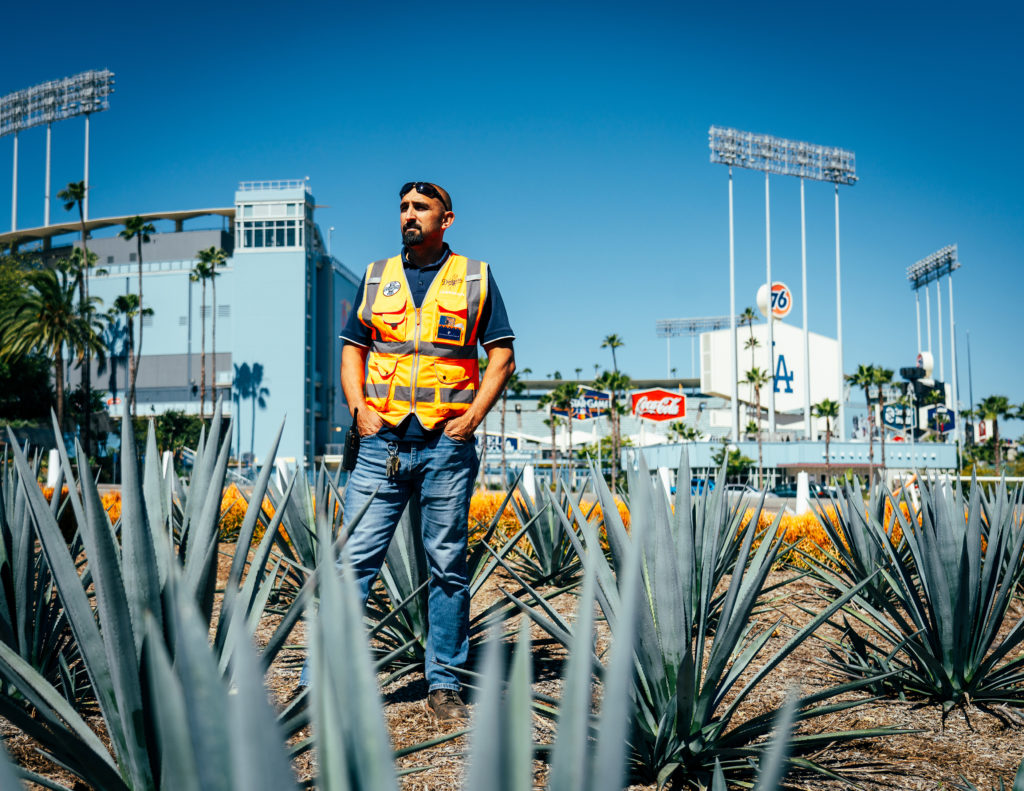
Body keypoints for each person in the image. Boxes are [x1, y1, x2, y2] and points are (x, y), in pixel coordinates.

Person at [301, 181, 515, 722]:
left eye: (421, 207)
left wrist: (471, 419)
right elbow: (353, 351)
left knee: (447, 568)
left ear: (447, 218)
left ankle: (444, 683)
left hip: (446, 446)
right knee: (352, 563)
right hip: (381, 444)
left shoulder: (475, 277)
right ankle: (317, 685)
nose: (409, 215)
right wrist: (359, 409)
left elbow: (502, 357)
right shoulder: (377, 276)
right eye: (403, 208)